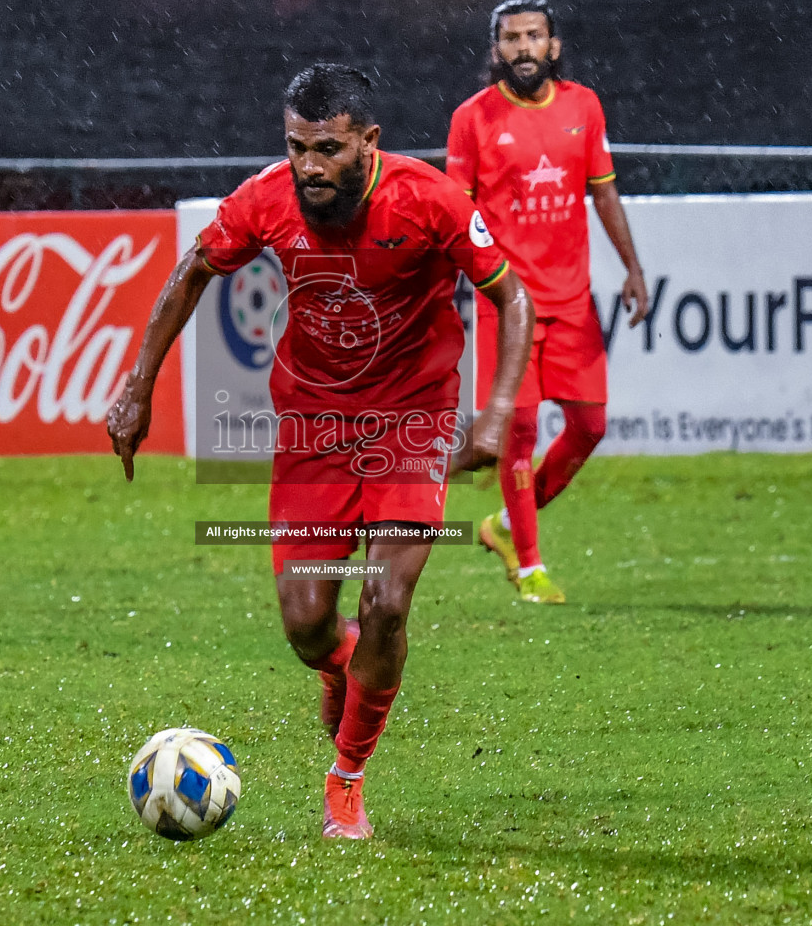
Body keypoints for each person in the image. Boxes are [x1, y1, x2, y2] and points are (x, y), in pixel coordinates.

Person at [107, 63, 534, 837]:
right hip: (313, 426)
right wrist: (138, 387)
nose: (309, 166)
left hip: (412, 422)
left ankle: (347, 778)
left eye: (328, 149)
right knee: (307, 624)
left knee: (387, 601)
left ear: (368, 141)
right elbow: (192, 271)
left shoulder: (428, 199)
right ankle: (349, 668)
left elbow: (513, 295)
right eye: (298, 146)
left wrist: (498, 410)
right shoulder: (267, 198)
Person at [446, 0, 650, 604]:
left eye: (534, 36)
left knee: (590, 425)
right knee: (522, 427)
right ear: (496, 50)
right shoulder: (474, 118)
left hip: (572, 299)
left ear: (552, 46)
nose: (523, 47)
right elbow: (457, 214)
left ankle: (505, 526)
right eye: (511, 38)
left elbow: (604, 194)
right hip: (506, 302)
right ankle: (530, 566)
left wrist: (633, 268)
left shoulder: (583, 106)